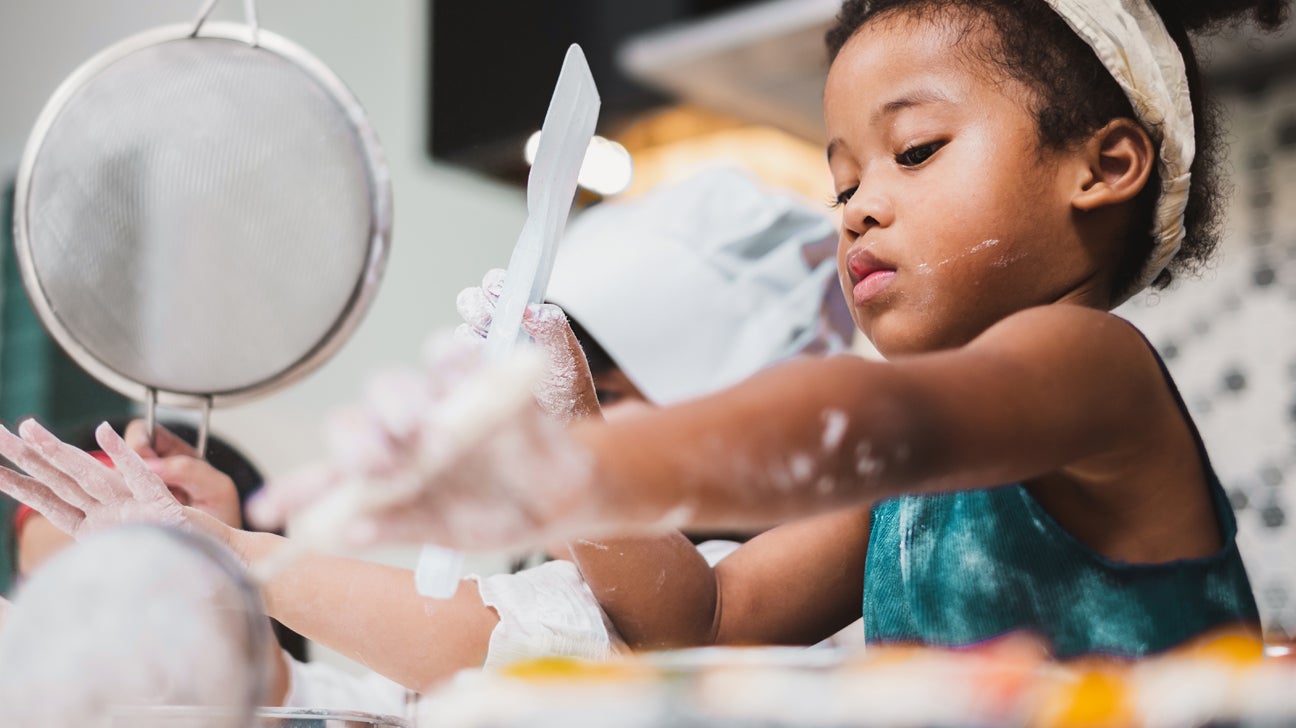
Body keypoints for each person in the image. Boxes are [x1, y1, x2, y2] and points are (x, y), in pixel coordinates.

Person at [244, 0, 1283, 659]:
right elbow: (694, 616)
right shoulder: (904, 489)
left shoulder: (1091, 366)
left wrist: (575, 475)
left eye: (913, 149)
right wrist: (573, 425)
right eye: (844, 178)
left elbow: (858, 414)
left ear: (1102, 167)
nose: (858, 206)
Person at [0, 167, 852, 687]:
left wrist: (226, 551)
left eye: (603, 404)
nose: (572, 436)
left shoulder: (815, 568)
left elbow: (654, 631)